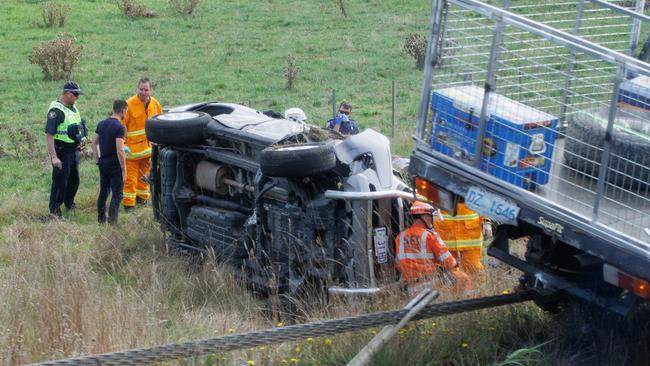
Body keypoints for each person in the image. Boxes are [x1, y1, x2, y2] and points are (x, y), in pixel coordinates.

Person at [395, 201, 472, 295]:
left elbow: (398, 264)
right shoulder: (430, 236)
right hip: (431, 282)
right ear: (424, 217)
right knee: (463, 278)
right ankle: (469, 304)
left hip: (410, 286)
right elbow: (449, 262)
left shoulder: (400, 236)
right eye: (431, 217)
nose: (432, 221)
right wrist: (454, 264)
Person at [44, 81, 87, 218]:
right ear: (67, 94)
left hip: (73, 150)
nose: (77, 97)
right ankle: (55, 210)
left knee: (74, 180)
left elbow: (77, 128)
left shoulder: (73, 107)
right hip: (61, 150)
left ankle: (69, 203)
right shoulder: (56, 111)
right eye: (75, 95)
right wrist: (54, 157)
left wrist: (81, 141)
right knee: (60, 182)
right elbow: (49, 135)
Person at [121, 77, 162, 211]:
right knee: (130, 179)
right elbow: (121, 126)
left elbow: (160, 124)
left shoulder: (155, 104)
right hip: (131, 152)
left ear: (151, 90)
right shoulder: (129, 105)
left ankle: (142, 199)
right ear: (137, 89)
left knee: (145, 177)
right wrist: (123, 146)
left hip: (148, 151)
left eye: (146, 90)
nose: (143, 92)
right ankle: (128, 204)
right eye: (141, 89)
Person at [92, 100, 127, 224]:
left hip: (103, 163)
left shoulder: (101, 124)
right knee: (117, 194)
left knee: (104, 192)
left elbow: (94, 142)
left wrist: (98, 160)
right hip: (115, 165)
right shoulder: (120, 127)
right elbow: (120, 150)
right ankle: (112, 222)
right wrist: (124, 169)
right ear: (123, 111)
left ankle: (101, 220)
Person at [433, 202, 485, 283]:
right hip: (447, 235)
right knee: (448, 270)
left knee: (473, 267)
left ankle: (477, 292)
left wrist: (487, 221)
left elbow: (485, 201)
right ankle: (453, 292)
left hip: (470, 237)